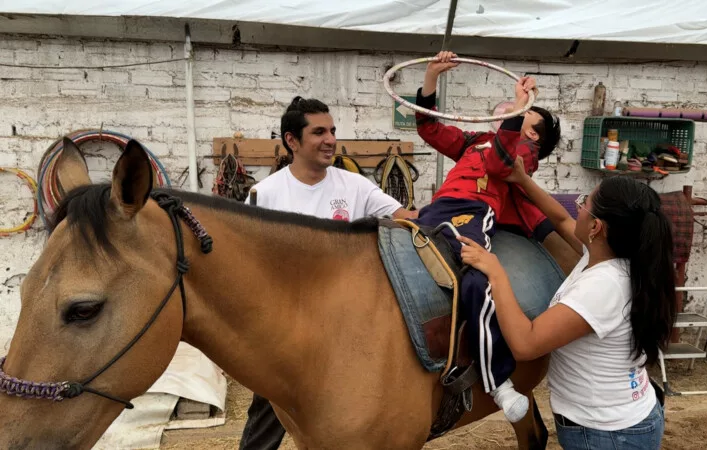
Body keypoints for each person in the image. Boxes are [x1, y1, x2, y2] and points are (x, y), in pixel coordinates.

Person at [457, 157, 675, 449]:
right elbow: (560, 219)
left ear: (596, 227)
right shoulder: (607, 256)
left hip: (608, 435)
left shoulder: (604, 286)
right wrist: (522, 180)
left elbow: (526, 343)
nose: (577, 206)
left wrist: (495, 272)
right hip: (618, 420)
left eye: (584, 202)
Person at [240, 96, 416, 450]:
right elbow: (250, 264)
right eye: (318, 131)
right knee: (271, 406)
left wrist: (453, 213)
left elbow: (406, 218)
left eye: (333, 130)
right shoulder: (265, 194)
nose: (330, 139)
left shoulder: (354, 186)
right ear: (292, 141)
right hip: (288, 325)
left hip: (347, 324)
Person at [411, 51, 562, 423]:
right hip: (437, 209)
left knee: (476, 278)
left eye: (526, 112)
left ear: (530, 134)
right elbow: (431, 130)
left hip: (472, 214)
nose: (517, 108)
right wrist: (431, 78)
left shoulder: (522, 155)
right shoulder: (478, 139)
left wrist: (517, 106)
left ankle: (497, 380)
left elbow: (500, 163)